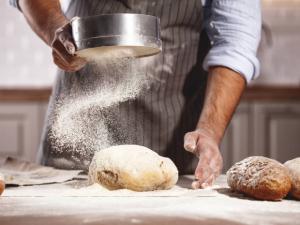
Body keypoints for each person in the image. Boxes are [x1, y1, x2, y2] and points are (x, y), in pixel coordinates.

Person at [10, 0, 261, 188]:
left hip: (173, 120)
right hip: (79, 119)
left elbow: (235, 40)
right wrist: (55, 27)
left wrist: (209, 130)